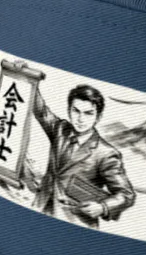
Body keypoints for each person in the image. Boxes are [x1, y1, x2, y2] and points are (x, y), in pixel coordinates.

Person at [30, 83, 135, 228]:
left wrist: (103, 207)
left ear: (98, 117)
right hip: (40, 208)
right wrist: (30, 80)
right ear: (69, 110)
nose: (80, 119)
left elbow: (126, 194)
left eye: (88, 113)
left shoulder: (106, 153)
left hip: (76, 222)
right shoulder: (60, 129)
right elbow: (41, 111)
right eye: (76, 111)